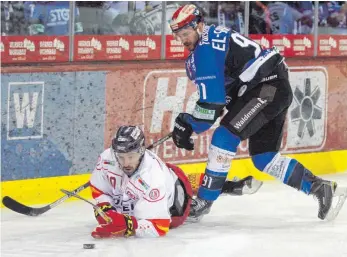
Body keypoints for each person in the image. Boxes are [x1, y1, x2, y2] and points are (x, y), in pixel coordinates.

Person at [169, 4, 346, 222]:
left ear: (200, 25)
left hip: (266, 87)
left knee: (224, 137)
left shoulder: (204, 52)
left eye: (185, 33)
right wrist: (190, 124)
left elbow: (211, 105)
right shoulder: (211, 40)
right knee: (264, 158)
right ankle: (320, 187)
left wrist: (188, 124)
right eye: (178, 36)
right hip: (272, 86)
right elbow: (220, 100)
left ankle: (204, 201)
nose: (182, 40)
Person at [89, 125, 261, 238]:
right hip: (171, 175)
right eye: (121, 156)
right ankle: (228, 184)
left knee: (194, 206)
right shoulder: (107, 159)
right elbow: (98, 190)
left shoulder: (152, 178)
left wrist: (128, 225)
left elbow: (160, 226)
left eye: (131, 156)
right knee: (188, 179)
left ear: (141, 151)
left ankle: (230, 186)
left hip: (176, 208)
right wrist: (106, 207)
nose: (125, 163)